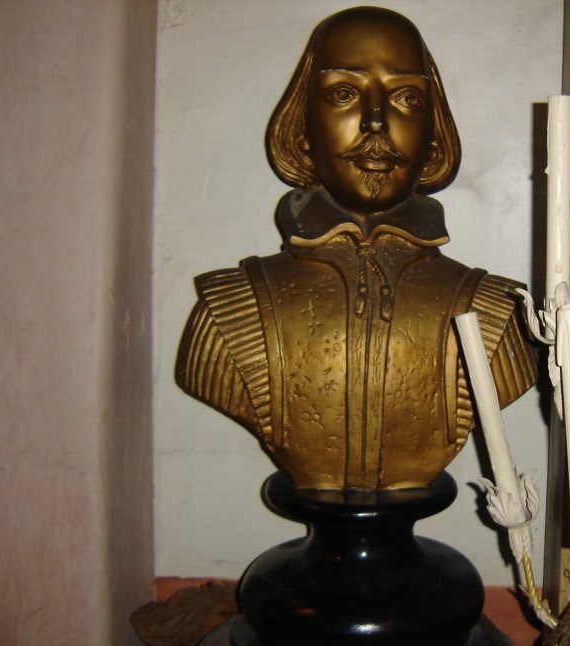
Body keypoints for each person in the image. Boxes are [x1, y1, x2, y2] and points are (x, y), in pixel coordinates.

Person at [176, 6, 537, 491]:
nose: (375, 122)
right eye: (343, 93)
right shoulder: (229, 311)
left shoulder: (497, 315)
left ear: (433, 139)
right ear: (303, 132)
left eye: (406, 97)